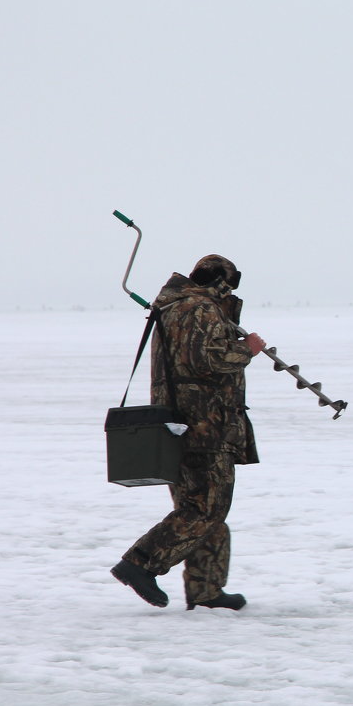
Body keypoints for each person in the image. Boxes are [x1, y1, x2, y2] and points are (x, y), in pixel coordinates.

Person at [110, 254, 267, 610]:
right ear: (220, 281)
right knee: (205, 510)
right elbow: (207, 362)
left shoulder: (173, 307)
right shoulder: (199, 308)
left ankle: (206, 590)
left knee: (202, 511)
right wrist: (247, 350)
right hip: (205, 426)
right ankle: (139, 563)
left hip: (179, 425)